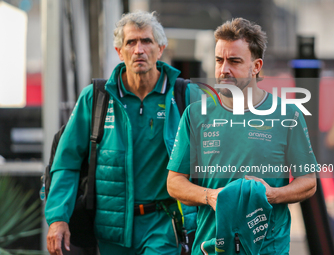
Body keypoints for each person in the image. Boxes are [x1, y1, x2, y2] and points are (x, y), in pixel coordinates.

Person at [45, 11, 200, 255]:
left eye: (146, 41)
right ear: (120, 51)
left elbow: (216, 154)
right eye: (131, 42)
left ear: (160, 49)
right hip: (111, 227)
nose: (139, 49)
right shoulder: (96, 98)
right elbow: (67, 162)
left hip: (163, 224)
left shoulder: (185, 96)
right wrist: (57, 218)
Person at [167, 17, 317, 254]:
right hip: (210, 247)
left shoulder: (288, 115)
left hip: (268, 248)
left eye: (234, 61)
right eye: (219, 60)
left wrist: (273, 195)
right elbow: (174, 183)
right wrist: (210, 196)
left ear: (256, 66)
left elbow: (308, 182)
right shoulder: (195, 115)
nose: (224, 69)